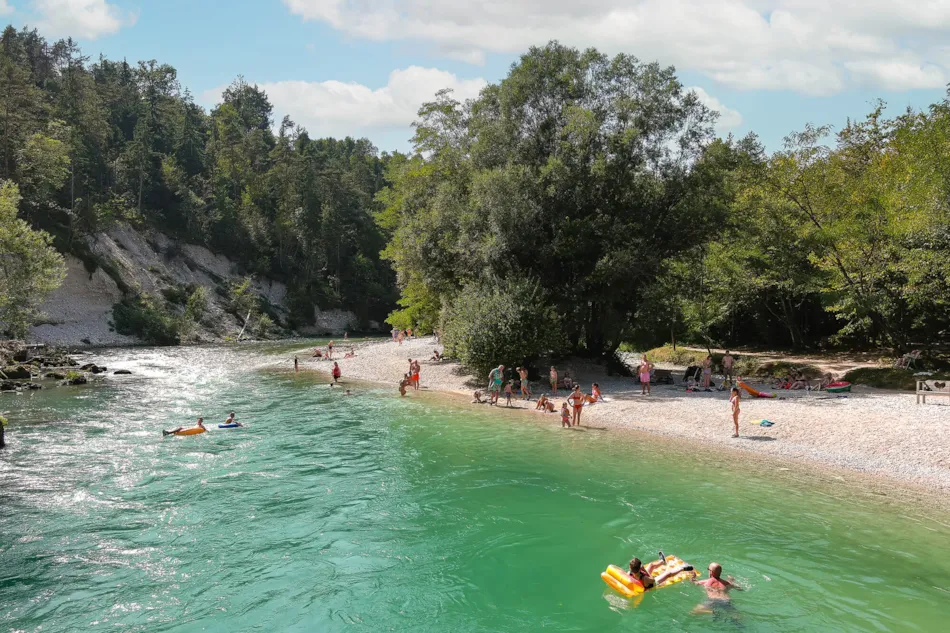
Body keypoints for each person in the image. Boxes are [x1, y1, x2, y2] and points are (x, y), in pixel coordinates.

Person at [628, 556, 695, 590]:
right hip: (652, 583)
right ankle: (682, 568)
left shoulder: (629, 573)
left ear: (630, 568)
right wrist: (644, 569)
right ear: (640, 568)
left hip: (642, 576)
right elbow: (653, 580)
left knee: (651, 565)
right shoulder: (644, 578)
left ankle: (662, 561)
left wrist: (642, 570)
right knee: (668, 573)